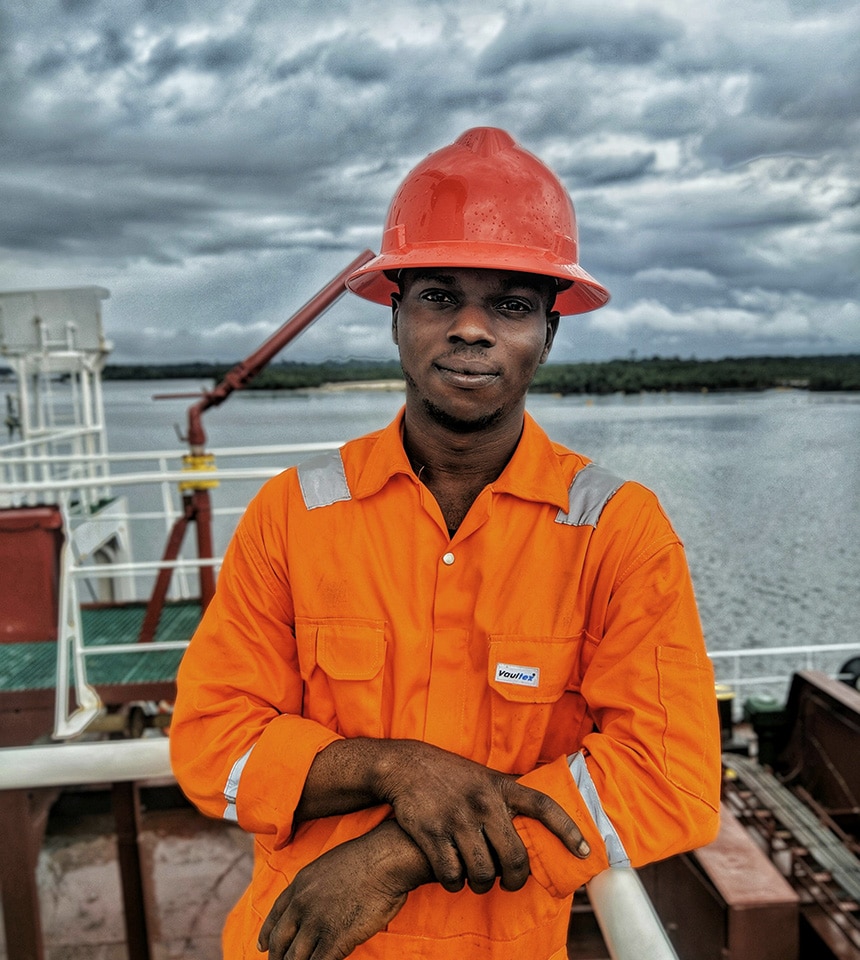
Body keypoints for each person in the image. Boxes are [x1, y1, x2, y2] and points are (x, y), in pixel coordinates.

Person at [170, 127, 721, 960]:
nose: (470, 328)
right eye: (437, 296)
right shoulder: (296, 514)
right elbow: (212, 742)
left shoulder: (614, 530)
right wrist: (395, 768)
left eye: (509, 303)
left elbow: (667, 773)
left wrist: (393, 857)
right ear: (394, 317)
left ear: (548, 332)